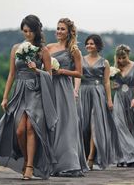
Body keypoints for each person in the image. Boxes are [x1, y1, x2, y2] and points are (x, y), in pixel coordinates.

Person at [0, 14, 58, 180]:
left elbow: (49, 76)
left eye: (30, 31)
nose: (27, 34)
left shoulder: (43, 50)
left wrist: (36, 70)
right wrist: (4, 97)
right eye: (25, 31)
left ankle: (29, 166)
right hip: (19, 91)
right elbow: (11, 74)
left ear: (37, 31)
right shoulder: (16, 48)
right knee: (20, 130)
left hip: (36, 92)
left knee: (31, 128)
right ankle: (25, 159)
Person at [46, 18, 88, 177]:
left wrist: (63, 71)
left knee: (65, 125)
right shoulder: (48, 48)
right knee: (52, 124)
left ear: (69, 32)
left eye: (62, 29)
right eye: (57, 28)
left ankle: (68, 164)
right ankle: (51, 162)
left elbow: (80, 73)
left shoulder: (74, 50)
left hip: (64, 88)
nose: (58, 31)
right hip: (49, 88)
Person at [74, 34, 121, 170]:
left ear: (98, 46)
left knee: (95, 126)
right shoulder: (81, 60)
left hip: (98, 93)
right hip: (84, 92)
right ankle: (82, 156)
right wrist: (75, 90)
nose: (89, 46)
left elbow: (106, 82)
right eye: (87, 43)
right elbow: (77, 76)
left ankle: (90, 158)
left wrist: (109, 100)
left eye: (92, 44)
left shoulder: (104, 62)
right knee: (84, 127)